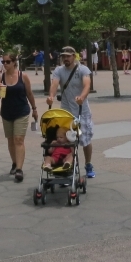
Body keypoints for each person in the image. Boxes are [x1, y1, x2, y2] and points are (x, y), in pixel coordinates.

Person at [47, 46, 96, 178]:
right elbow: (54, 84)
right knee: (66, 141)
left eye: (68, 56)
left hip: (82, 110)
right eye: (64, 56)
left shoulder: (82, 69)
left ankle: (88, 164)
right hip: (66, 111)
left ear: (74, 56)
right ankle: (66, 166)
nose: (66, 58)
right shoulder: (59, 70)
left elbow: (87, 84)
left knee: (85, 139)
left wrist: (82, 97)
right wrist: (51, 96)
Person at [0, 53, 38, 183]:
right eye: (3, 62)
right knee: (11, 140)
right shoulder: (0, 78)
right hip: (6, 112)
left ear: (14, 62)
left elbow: (29, 93)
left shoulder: (22, 76)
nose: (5, 64)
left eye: (7, 62)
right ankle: (14, 162)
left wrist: (34, 109)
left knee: (18, 139)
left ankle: (19, 169)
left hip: (21, 111)